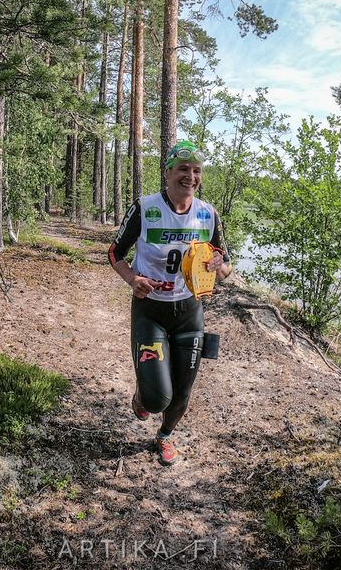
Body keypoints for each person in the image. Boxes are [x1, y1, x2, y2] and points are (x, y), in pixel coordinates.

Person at [108, 140, 232, 465]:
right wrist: (132, 279)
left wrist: (218, 265)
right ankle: (142, 394)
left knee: (182, 392)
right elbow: (114, 253)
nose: (189, 176)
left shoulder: (208, 214)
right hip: (151, 311)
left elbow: (226, 267)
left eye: (196, 171)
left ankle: (164, 437)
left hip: (190, 312)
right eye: (183, 169)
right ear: (167, 172)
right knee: (156, 397)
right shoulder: (145, 207)